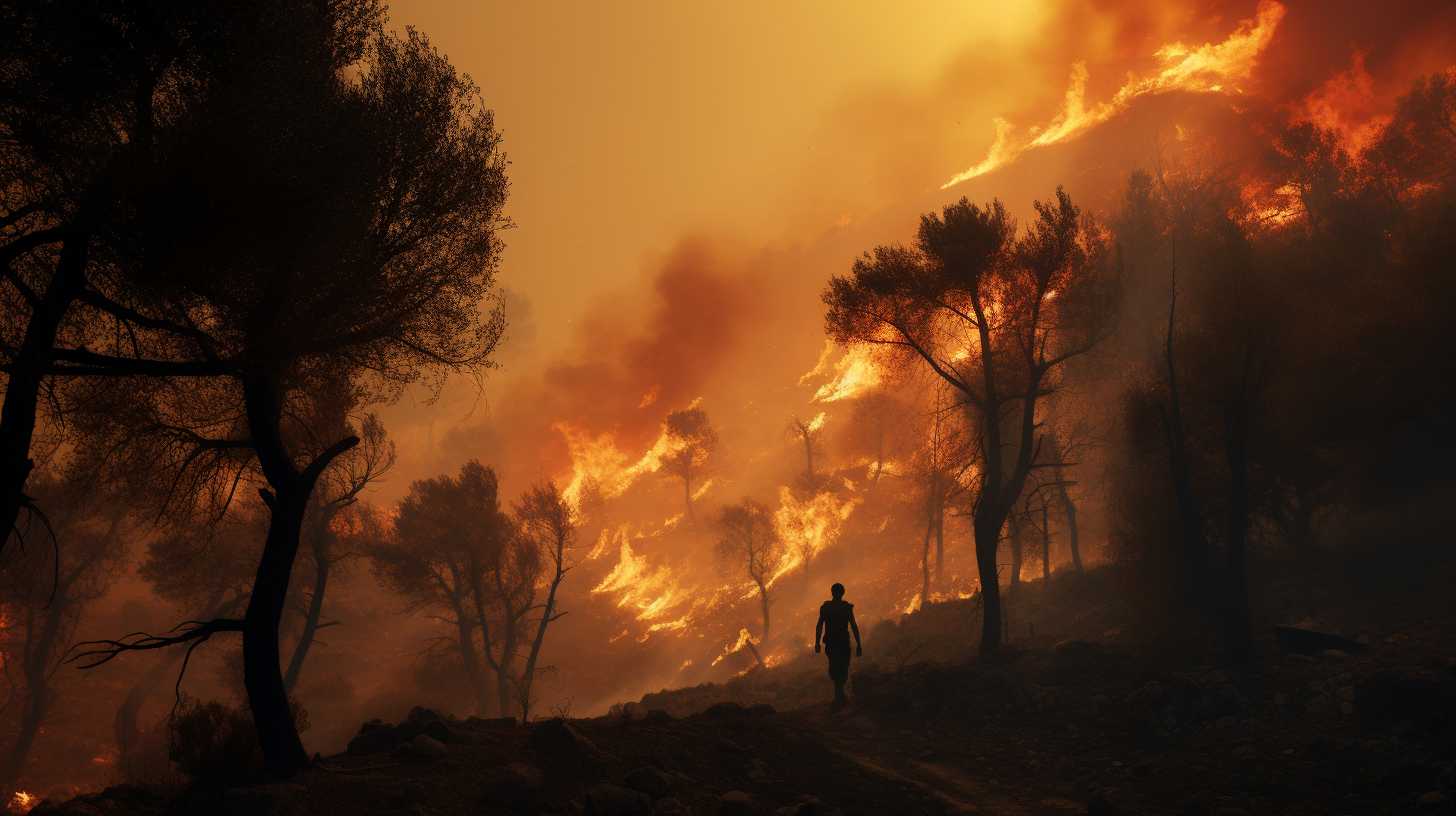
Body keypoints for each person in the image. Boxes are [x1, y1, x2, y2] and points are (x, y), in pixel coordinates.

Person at [814, 582, 862, 709]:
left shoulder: (827, 607)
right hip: (841, 642)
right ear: (842, 593)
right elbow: (853, 626)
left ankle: (839, 696)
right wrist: (858, 644)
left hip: (833, 643)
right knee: (841, 667)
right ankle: (839, 696)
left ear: (833, 592)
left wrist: (817, 643)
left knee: (836, 667)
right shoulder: (845, 607)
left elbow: (819, 625)